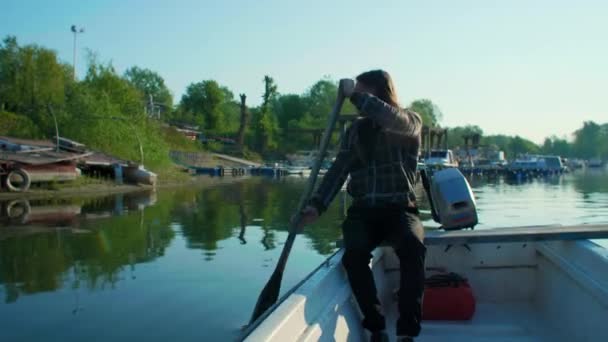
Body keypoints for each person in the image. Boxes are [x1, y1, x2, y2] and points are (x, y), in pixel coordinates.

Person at [299, 70, 425, 342]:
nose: (354, 99)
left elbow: (390, 117)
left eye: (362, 90)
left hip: (399, 208)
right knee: (353, 256)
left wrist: (354, 95)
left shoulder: (409, 122)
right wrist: (317, 206)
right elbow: (338, 170)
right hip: (364, 211)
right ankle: (376, 327)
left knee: (413, 248)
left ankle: (406, 332)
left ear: (379, 92)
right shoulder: (355, 131)